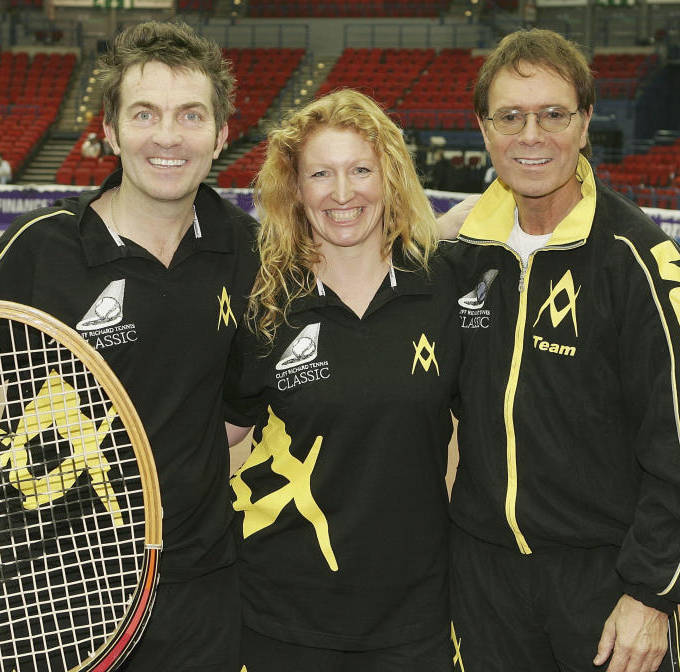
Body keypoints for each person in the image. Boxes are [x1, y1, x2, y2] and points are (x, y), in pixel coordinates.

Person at [0, 20, 259, 672]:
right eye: (144, 114)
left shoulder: (244, 248)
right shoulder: (44, 246)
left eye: (191, 115)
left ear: (221, 133)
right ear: (108, 129)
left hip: (195, 584)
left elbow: (231, 416)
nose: (168, 136)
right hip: (49, 588)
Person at [447, 28, 680, 672]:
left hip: (603, 588)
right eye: (510, 116)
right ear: (484, 129)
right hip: (483, 579)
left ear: (585, 122)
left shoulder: (639, 260)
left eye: (553, 114)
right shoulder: (463, 257)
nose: (532, 135)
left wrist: (652, 593)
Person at [223, 89, 462, 671]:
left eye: (361, 170)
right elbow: (216, 435)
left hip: (415, 616)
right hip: (280, 611)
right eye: (321, 174)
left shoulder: (445, 287)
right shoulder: (265, 302)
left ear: (391, 177)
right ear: (296, 189)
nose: (342, 193)